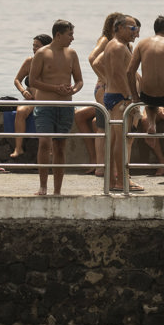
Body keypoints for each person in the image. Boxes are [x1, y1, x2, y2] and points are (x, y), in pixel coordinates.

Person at [29, 19, 84, 195]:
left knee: (60, 146)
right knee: (45, 142)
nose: (72, 38)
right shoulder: (42, 54)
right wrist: (55, 89)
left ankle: (57, 190)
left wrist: (72, 90)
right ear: (58, 35)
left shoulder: (72, 54)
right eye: (70, 34)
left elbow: (79, 80)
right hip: (45, 105)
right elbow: (33, 81)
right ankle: (43, 185)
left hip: (65, 106)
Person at [95, 15, 144, 192]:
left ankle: (111, 181)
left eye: (137, 30)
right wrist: (129, 97)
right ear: (119, 27)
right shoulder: (117, 46)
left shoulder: (113, 45)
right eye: (132, 29)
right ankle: (122, 181)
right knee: (120, 141)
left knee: (115, 140)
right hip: (119, 99)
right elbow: (117, 73)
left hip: (113, 96)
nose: (136, 34)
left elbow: (99, 62)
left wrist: (107, 80)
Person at [75, 12, 123, 176]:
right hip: (104, 87)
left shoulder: (116, 42)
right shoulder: (105, 40)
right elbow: (92, 58)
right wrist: (106, 78)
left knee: (107, 126)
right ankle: (101, 166)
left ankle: (103, 165)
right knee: (103, 127)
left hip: (109, 87)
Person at [10, 34, 53, 158]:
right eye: (33, 46)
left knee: (48, 117)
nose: (34, 49)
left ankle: (50, 148)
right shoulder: (30, 61)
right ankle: (18, 148)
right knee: (20, 111)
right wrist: (23, 91)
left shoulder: (52, 63)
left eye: (37, 46)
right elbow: (17, 79)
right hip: (31, 99)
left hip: (45, 100)